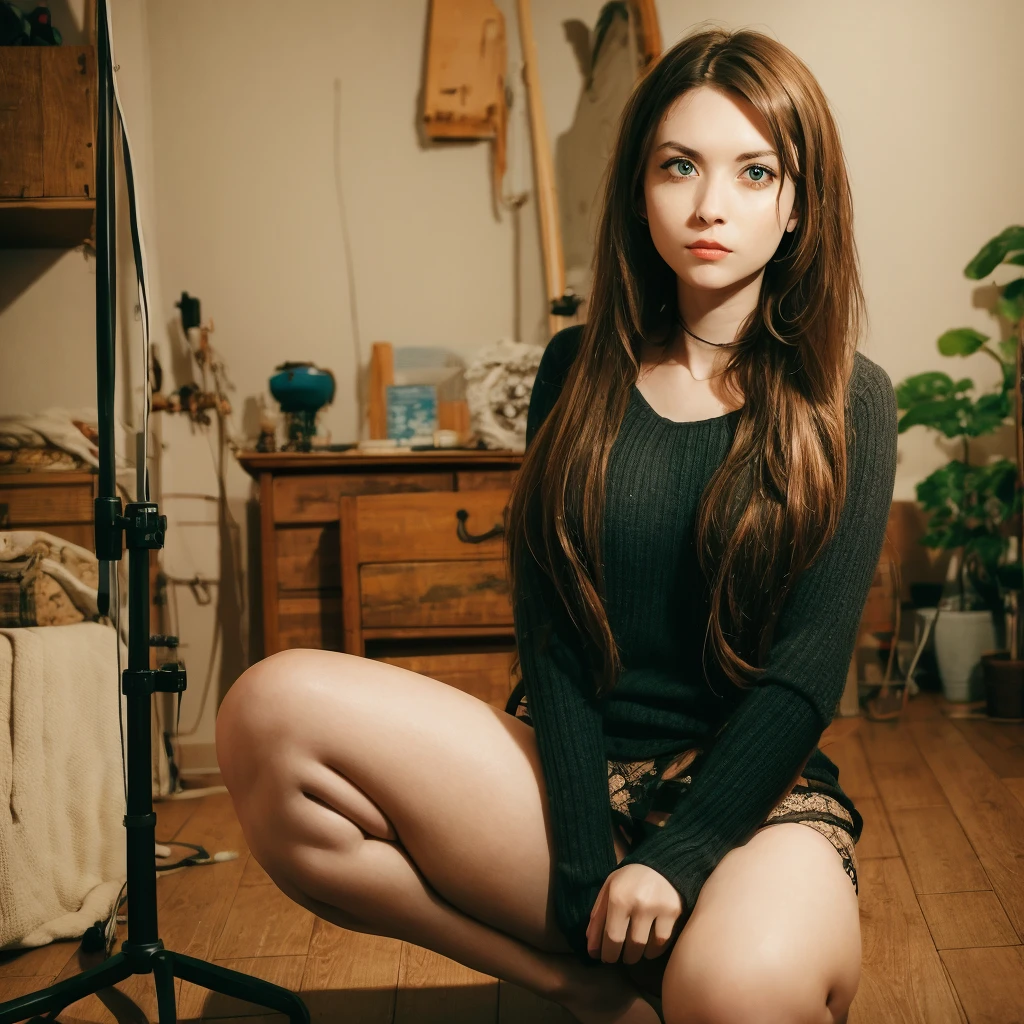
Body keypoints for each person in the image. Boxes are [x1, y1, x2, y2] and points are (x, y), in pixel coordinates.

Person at [216, 25, 897, 1024]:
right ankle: (573, 982)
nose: (711, 205)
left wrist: (678, 857)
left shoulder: (849, 397)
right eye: (680, 167)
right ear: (638, 187)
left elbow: (804, 675)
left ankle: (704, 944)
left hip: (753, 803)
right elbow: (556, 637)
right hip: (565, 782)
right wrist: (585, 858)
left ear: (798, 205)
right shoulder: (575, 371)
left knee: (730, 992)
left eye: (755, 173)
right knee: (267, 713)